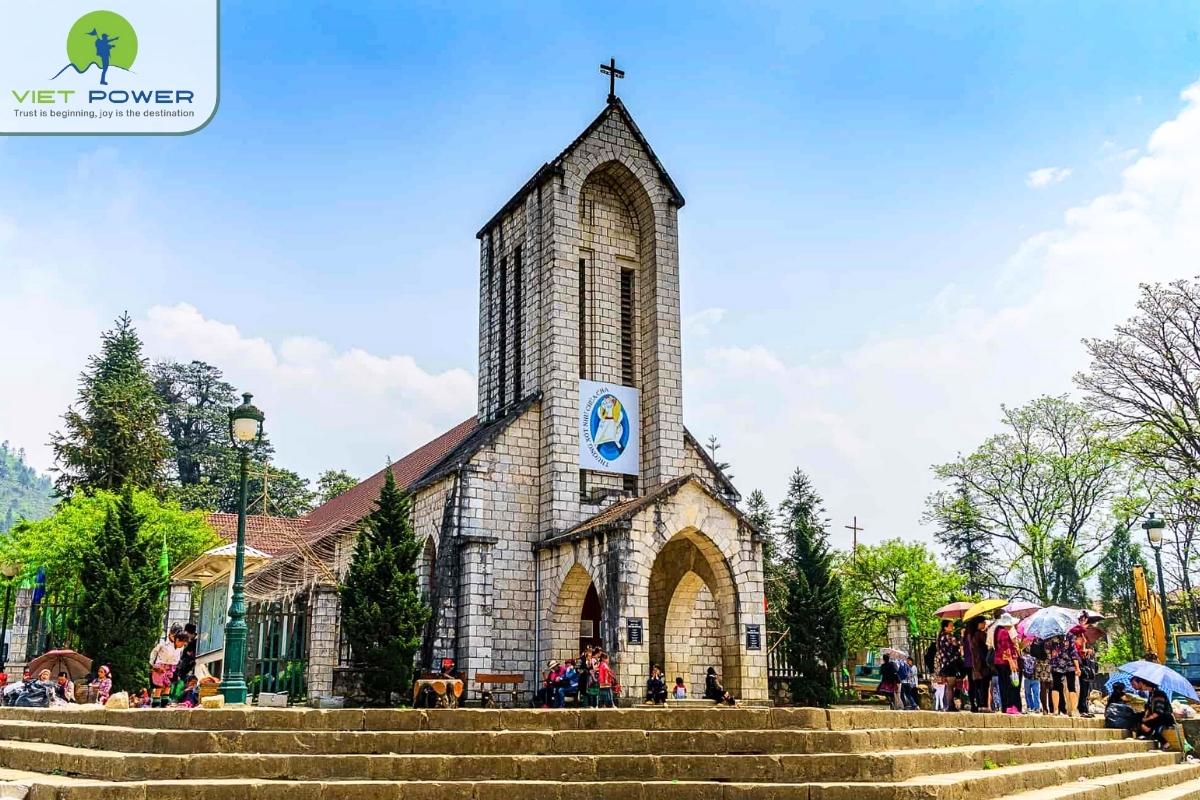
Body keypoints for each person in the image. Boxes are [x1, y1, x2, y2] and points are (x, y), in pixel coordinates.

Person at [149, 625, 185, 708]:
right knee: (159, 686)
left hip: (172, 667)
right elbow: (154, 653)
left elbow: (179, 657)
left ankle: (164, 705)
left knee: (168, 686)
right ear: (170, 634)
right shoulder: (163, 644)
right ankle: (155, 705)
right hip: (160, 666)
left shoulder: (180, 646)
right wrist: (152, 665)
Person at [992, 614, 1021, 715]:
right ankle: (1009, 706)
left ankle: (1005, 707)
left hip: (999, 661)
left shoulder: (997, 631)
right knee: (1008, 685)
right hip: (1005, 662)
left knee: (1003, 684)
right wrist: (1012, 662)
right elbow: (1006, 649)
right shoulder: (1004, 632)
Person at [1048, 635, 1080, 717]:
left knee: (1056, 686)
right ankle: (1073, 710)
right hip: (1069, 665)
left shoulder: (1051, 636)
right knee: (1071, 687)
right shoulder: (1069, 636)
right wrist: (1077, 667)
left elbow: (1047, 650)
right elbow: (1073, 652)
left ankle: (1055, 710)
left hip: (1056, 664)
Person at [935, 619, 962, 712]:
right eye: (950, 625)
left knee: (951, 685)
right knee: (951, 685)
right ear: (945, 627)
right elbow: (957, 644)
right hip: (951, 663)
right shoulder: (948, 636)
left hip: (946, 663)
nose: (952, 627)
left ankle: (951, 704)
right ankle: (950, 705)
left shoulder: (941, 637)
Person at [967, 617, 992, 712]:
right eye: (983, 622)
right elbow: (986, 647)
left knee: (978, 685)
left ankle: (979, 704)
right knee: (984, 685)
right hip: (983, 663)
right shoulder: (980, 634)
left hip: (976, 664)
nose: (985, 624)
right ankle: (984, 705)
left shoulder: (971, 635)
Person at [1020, 649, 1040, 713]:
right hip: (1035, 678)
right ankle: (1037, 708)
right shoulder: (1035, 658)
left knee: (1028, 694)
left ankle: (1031, 706)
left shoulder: (1023, 658)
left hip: (1027, 678)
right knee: (1036, 693)